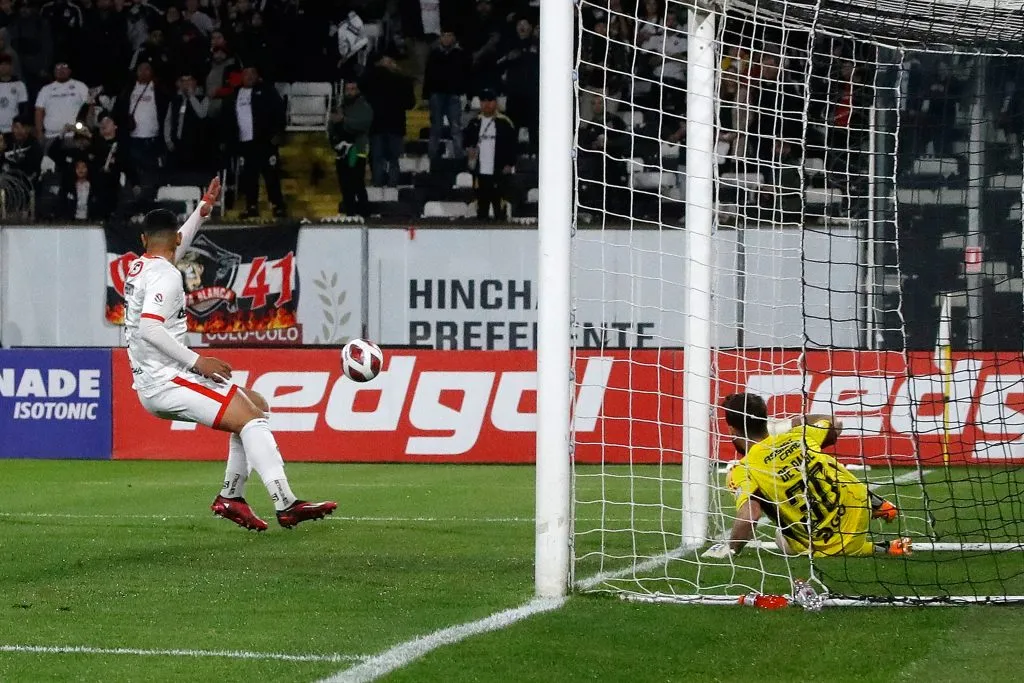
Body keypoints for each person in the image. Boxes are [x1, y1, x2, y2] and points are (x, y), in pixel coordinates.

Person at [122, 177, 337, 532]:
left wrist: (201, 212)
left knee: (256, 406)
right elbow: (150, 328)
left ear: (144, 240)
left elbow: (174, 244)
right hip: (167, 380)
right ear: (175, 241)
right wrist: (198, 361)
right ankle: (286, 503)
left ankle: (231, 496)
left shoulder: (140, 267)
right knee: (250, 419)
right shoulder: (167, 276)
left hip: (157, 378)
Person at [703, 393, 911, 560]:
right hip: (857, 509)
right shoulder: (798, 435)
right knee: (821, 463)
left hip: (826, 541)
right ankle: (875, 503)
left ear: (732, 429)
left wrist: (731, 548)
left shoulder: (743, 469)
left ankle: (880, 547)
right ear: (766, 419)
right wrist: (785, 425)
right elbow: (835, 423)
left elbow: (750, 516)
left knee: (782, 538)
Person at [222, 65, 286, 219]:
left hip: (265, 142)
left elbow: (279, 112)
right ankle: (251, 206)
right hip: (245, 143)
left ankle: (278, 206)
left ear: (257, 76)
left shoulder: (268, 91)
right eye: (246, 74)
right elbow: (228, 118)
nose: (249, 77)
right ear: (241, 76)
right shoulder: (235, 94)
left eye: (252, 73)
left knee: (271, 175)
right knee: (249, 177)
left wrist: (277, 133)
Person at [362, 54, 414, 187]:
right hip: (395, 125)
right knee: (394, 159)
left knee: (377, 158)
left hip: (376, 125)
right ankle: (392, 187)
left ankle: (378, 185)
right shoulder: (402, 80)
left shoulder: (370, 79)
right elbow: (410, 103)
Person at [463, 89, 516, 220]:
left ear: (495, 103)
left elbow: (512, 146)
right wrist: (470, 153)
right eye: (483, 101)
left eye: (490, 101)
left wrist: (509, 164)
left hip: (498, 171)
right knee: (481, 209)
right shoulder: (474, 123)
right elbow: (466, 143)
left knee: (500, 208)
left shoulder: (505, 122)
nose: (486, 104)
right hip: (480, 172)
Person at [423, 29, 469, 165]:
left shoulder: (460, 54)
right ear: (440, 38)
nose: (447, 38)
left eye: (450, 35)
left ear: (454, 38)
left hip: (453, 94)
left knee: (456, 127)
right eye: (444, 36)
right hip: (436, 94)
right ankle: (432, 157)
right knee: (436, 127)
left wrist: (464, 92)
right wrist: (425, 95)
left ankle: (459, 156)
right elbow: (428, 74)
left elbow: (466, 74)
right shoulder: (434, 54)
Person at [329, 79, 372, 216]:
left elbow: (363, 124)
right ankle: (350, 215)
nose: (349, 92)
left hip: (356, 151)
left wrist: (343, 121)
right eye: (347, 89)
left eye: (352, 89)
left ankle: (365, 214)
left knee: (357, 184)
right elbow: (331, 126)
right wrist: (335, 143)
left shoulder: (364, 107)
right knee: (344, 185)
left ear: (358, 91)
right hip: (341, 152)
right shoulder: (340, 107)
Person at [34, 62, 89, 144]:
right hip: (50, 136)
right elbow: (39, 111)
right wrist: (39, 132)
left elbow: (89, 107)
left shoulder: (80, 86)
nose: (61, 70)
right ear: (54, 72)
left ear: (69, 71)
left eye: (64, 68)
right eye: (58, 68)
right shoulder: (45, 89)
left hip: (74, 135)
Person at [0, 52, 27, 134]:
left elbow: (23, 108)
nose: (3, 67)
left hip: (13, 129)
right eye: (1, 64)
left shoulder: (19, 85)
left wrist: (18, 121)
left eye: (6, 64)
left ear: (11, 67)